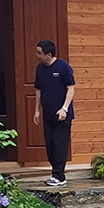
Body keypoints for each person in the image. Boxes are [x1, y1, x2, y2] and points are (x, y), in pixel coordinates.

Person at [32, 40, 76, 187]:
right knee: (50, 145)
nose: (37, 55)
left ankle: (59, 176)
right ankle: (55, 174)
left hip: (62, 116)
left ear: (49, 54)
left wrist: (64, 109)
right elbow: (38, 90)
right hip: (48, 114)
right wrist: (37, 111)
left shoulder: (63, 67)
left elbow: (71, 88)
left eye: (39, 53)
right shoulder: (40, 69)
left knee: (59, 145)